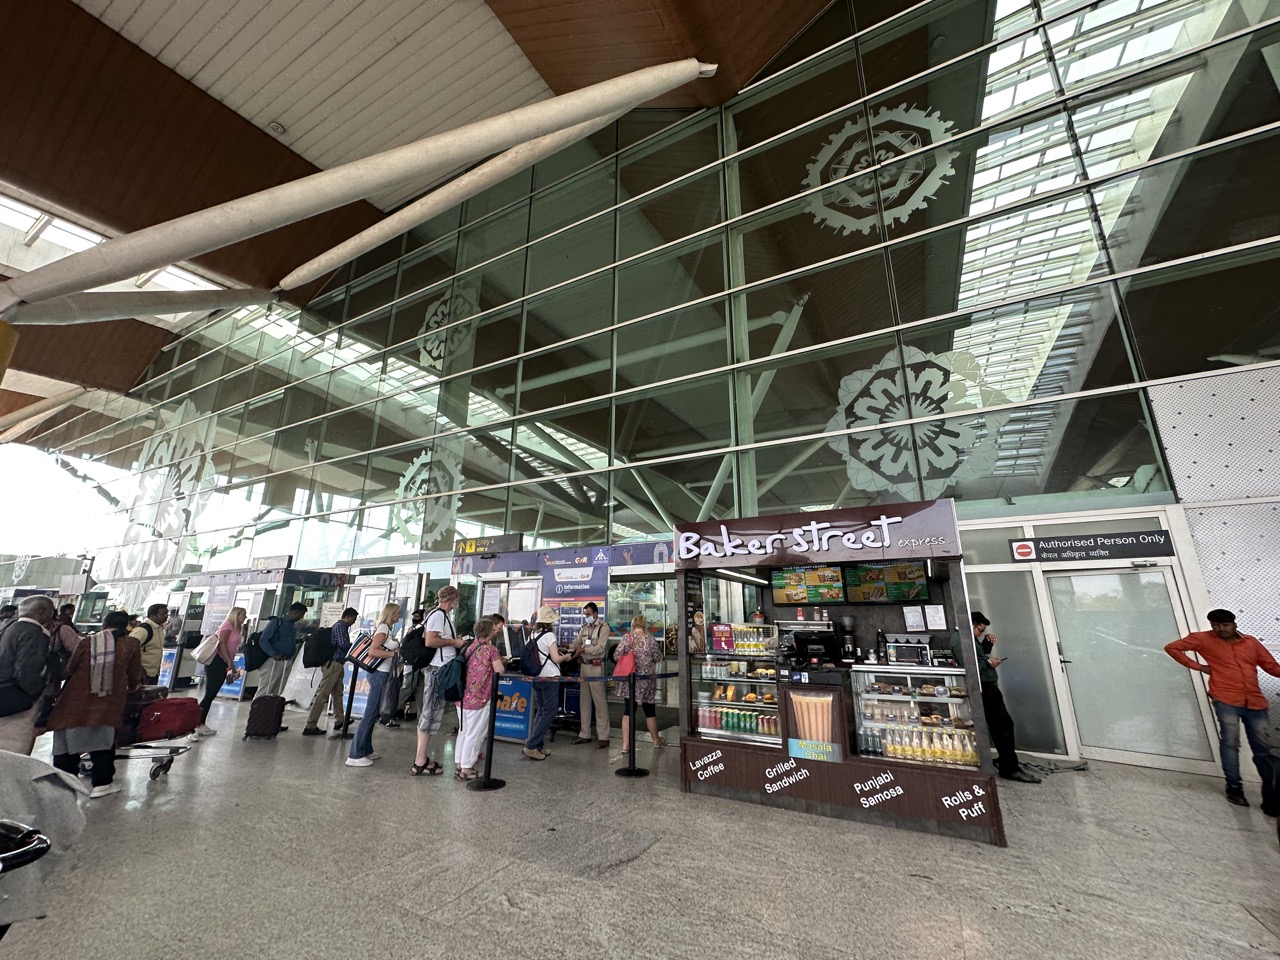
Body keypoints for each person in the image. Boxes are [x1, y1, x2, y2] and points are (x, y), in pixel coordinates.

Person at [1165, 609, 1280, 810]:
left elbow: (1271, 666)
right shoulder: (1202, 639)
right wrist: (1198, 666)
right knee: (1230, 742)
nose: (1220, 629)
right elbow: (1172, 647)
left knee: (1263, 749)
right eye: (1216, 625)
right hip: (1225, 698)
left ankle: (1271, 798)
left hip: (1255, 701)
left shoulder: (1250, 642)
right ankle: (1234, 787)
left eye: (1225, 625)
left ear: (1234, 623)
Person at [44, 611, 142, 798]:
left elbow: (70, 668)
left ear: (105, 623)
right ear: (126, 625)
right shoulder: (131, 643)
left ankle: (65, 782)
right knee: (103, 739)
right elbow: (134, 672)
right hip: (108, 698)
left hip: (75, 696)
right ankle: (102, 784)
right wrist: (133, 685)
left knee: (67, 736)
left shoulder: (87, 641)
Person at [951, 612, 1041, 784]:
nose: (981, 633)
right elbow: (970, 664)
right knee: (1001, 727)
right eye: (980, 630)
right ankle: (1010, 768)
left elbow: (978, 655)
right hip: (982, 687)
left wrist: (986, 643)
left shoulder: (968, 637)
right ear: (973, 624)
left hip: (987, 685)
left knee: (1006, 724)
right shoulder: (959, 639)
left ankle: (1004, 760)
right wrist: (989, 663)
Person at [412, 585, 464, 776]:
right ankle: (419, 761)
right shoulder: (438, 615)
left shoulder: (442, 616)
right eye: (456, 598)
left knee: (433, 713)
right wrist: (454, 643)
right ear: (451, 599)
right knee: (430, 712)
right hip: (436, 670)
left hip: (440, 669)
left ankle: (422, 758)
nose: (457, 602)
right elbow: (430, 641)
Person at [346, 603, 401, 768]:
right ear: (391, 614)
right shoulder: (383, 629)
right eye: (397, 614)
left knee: (374, 713)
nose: (399, 617)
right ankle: (355, 754)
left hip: (383, 674)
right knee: (370, 713)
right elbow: (373, 651)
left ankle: (366, 749)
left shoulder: (388, 629)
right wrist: (394, 654)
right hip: (378, 674)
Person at [0, 595, 56, 755]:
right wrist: (34, 695)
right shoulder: (35, 633)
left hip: (4, 695)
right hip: (17, 701)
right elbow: (28, 670)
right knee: (13, 749)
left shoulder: (9, 628)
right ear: (42, 611)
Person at [522, 605, 575, 761]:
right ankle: (531, 746)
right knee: (550, 712)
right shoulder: (550, 635)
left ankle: (538, 745)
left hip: (537, 676)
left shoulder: (531, 635)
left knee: (542, 711)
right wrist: (566, 657)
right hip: (550, 677)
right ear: (549, 621)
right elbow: (556, 659)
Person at [455, 616, 504, 781]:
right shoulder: (491, 650)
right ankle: (467, 769)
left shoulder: (469, 647)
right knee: (474, 734)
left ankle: (459, 764)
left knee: (463, 731)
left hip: (462, 697)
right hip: (479, 698)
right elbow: (499, 670)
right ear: (490, 632)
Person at [613, 614, 665, 760]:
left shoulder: (626, 638)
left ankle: (625, 745)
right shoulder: (650, 639)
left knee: (628, 711)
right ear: (644, 625)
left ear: (633, 624)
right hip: (647, 681)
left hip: (630, 680)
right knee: (649, 710)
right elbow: (658, 658)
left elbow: (617, 655)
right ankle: (656, 740)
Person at [191, 606, 245, 740]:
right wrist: (229, 661)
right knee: (209, 694)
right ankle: (194, 725)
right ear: (235, 615)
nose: (245, 618)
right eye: (243, 615)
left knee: (212, 694)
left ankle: (201, 723)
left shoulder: (237, 628)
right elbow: (222, 644)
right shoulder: (227, 626)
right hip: (217, 662)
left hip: (224, 662)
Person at [302, 607, 357, 737]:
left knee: (337, 693)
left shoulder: (339, 627)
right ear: (348, 616)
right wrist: (354, 647)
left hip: (337, 664)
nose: (354, 622)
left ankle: (340, 719)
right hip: (333, 664)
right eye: (353, 619)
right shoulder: (340, 626)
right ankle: (311, 725)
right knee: (323, 694)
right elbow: (343, 644)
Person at [571, 601, 611, 748]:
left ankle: (603, 736)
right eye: (584, 614)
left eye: (588, 614)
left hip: (596, 667)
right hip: (584, 667)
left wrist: (584, 650)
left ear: (595, 613)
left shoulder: (603, 628)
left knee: (599, 702)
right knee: (584, 701)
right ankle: (585, 733)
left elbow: (600, 648)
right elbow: (576, 643)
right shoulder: (584, 628)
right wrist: (569, 646)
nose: (586, 617)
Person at [254, 602, 307, 706]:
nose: (301, 617)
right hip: (274, 661)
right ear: (296, 612)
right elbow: (263, 640)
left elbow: (285, 641)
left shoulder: (291, 625)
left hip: (286, 660)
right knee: (266, 688)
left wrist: (300, 640)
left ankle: (269, 713)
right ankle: (256, 712)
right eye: (301, 615)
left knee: (277, 690)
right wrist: (273, 654)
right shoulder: (277, 622)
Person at [389, 607, 427, 723]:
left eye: (417, 617)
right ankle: (390, 711)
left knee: (419, 690)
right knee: (408, 688)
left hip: (414, 663)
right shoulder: (422, 629)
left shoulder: (414, 629)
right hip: (415, 663)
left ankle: (421, 715)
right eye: (414, 617)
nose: (414, 619)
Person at [130, 603, 168, 685]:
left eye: (167, 613)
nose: (166, 616)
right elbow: (129, 650)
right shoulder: (143, 630)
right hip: (142, 674)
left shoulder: (159, 629)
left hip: (153, 673)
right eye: (163, 614)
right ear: (153, 616)